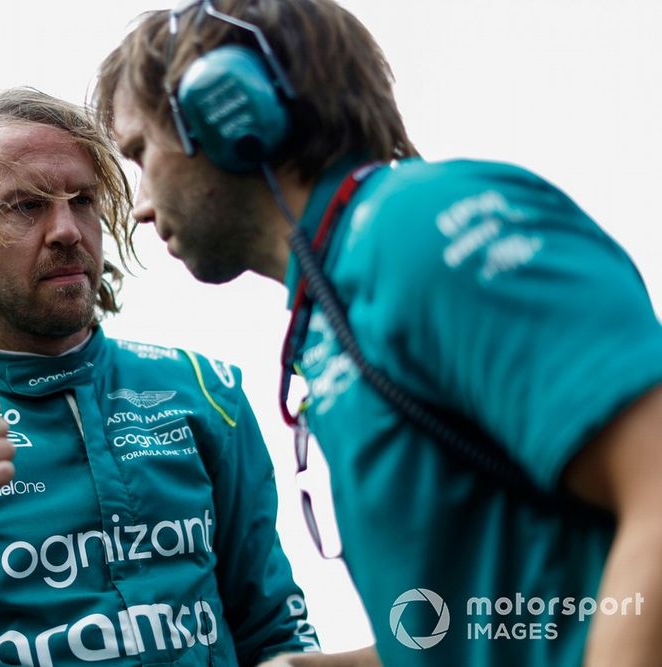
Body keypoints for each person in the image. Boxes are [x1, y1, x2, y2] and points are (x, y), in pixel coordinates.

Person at [95, 1, 662, 665]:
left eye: (139, 153)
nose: (135, 207)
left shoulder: (418, 227)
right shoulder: (340, 301)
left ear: (230, 115)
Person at [0, 88, 324, 666]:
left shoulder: (204, 393)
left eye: (83, 200)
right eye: (27, 205)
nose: (68, 229)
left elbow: (274, 630)